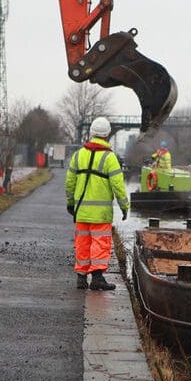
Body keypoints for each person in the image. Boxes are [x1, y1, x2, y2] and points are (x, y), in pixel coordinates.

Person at [66, 117, 130, 291]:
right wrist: (124, 206)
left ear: (92, 133)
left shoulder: (79, 155)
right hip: (101, 213)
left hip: (81, 211)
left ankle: (81, 278)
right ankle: (97, 278)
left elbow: (70, 182)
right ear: (107, 135)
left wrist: (71, 203)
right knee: (100, 243)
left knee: (82, 243)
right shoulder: (110, 158)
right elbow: (118, 185)